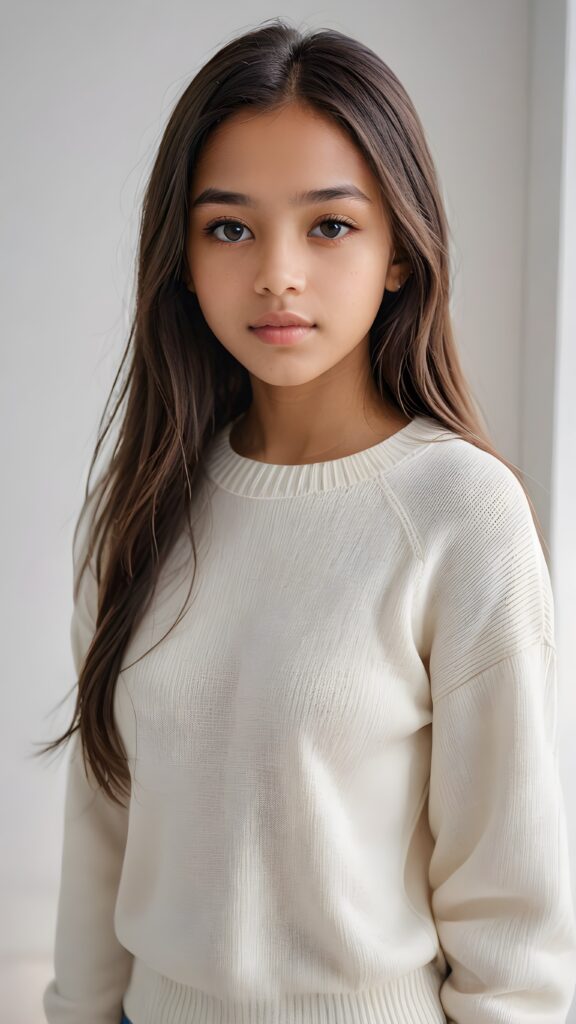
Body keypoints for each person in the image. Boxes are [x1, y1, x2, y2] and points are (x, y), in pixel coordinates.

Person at [36, 17, 576, 1024]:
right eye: (229, 227)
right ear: (184, 260)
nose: (277, 273)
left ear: (400, 255)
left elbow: (513, 912)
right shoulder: (144, 503)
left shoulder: (460, 513)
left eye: (329, 225)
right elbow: (101, 829)